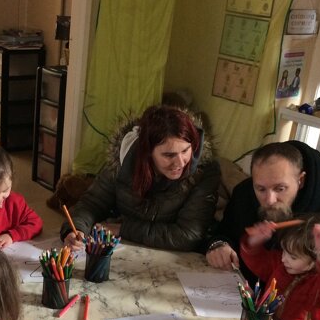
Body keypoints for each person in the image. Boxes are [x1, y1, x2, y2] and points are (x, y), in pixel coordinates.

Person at [205, 140, 320, 302]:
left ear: (300, 180)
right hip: (235, 294)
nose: (270, 200)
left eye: (280, 188)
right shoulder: (244, 193)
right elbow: (224, 233)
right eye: (260, 189)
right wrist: (219, 245)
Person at [61, 104, 221, 252]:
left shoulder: (205, 171)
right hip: (124, 249)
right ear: (147, 152)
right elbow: (93, 203)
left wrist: (123, 229)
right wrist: (75, 229)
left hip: (175, 256)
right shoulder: (123, 159)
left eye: (185, 151)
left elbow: (188, 235)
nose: (180, 163)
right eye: (169, 155)